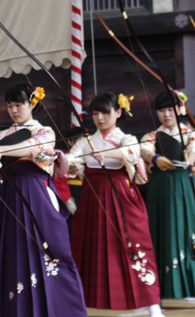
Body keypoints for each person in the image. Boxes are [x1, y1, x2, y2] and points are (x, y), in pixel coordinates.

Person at [0, 83, 85, 317]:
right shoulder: (2, 134)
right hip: (9, 196)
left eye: (19, 105)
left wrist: (2, 151)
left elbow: (34, 147)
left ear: (32, 104)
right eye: (10, 106)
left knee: (47, 248)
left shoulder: (44, 132)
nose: (13, 110)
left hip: (35, 194)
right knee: (10, 249)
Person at [68, 92, 162, 317]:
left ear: (118, 113)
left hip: (121, 195)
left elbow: (132, 152)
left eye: (105, 112)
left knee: (134, 243)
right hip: (93, 196)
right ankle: (83, 300)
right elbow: (72, 159)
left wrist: (107, 152)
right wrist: (62, 162)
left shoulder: (125, 138)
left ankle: (152, 303)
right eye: (95, 113)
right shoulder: (85, 141)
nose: (100, 118)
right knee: (92, 246)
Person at [140, 91, 195, 311]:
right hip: (160, 187)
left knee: (192, 232)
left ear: (178, 110)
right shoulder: (152, 135)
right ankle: (155, 295)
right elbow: (144, 150)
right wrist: (156, 158)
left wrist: (186, 161)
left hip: (185, 184)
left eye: (170, 110)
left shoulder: (190, 132)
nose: (166, 115)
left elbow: (194, 149)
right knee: (159, 233)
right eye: (161, 110)